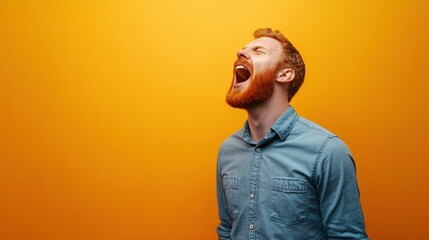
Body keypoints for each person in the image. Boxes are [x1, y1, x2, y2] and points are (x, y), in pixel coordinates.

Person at [216, 28, 369, 239]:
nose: (240, 53)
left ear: (285, 74)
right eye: (243, 49)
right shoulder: (228, 151)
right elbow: (227, 229)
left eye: (258, 51)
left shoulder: (327, 151)